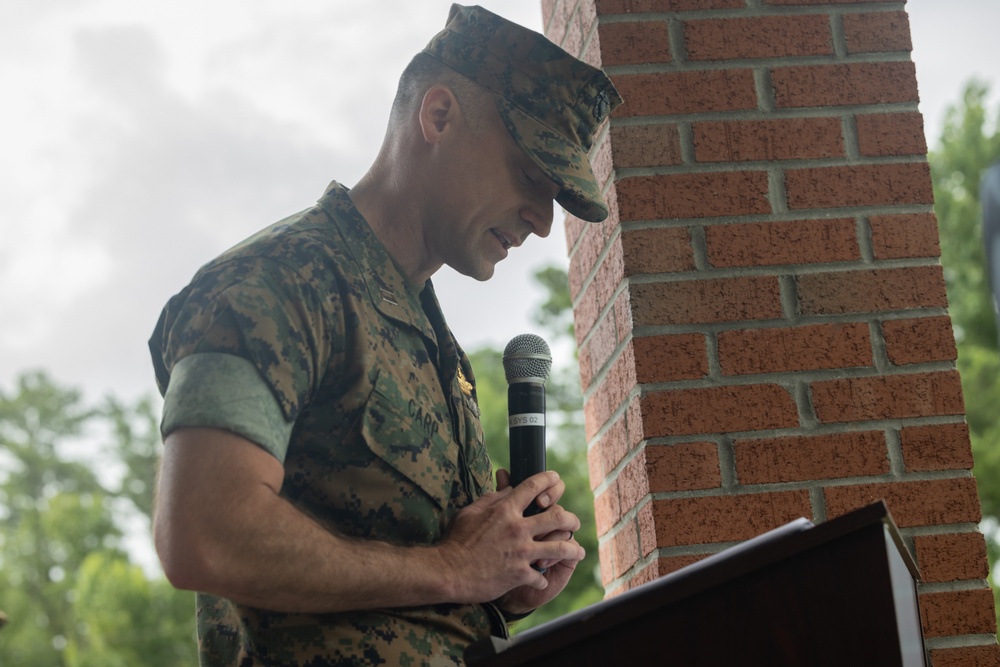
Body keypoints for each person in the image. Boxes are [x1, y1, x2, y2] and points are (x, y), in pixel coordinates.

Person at [148, 4, 622, 665]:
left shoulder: (433, 338)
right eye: (530, 174)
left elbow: (410, 568)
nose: (542, 221)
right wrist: (455, 568)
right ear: (438, 116)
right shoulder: (276, 282)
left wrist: (498, 577)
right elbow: (202, 532)